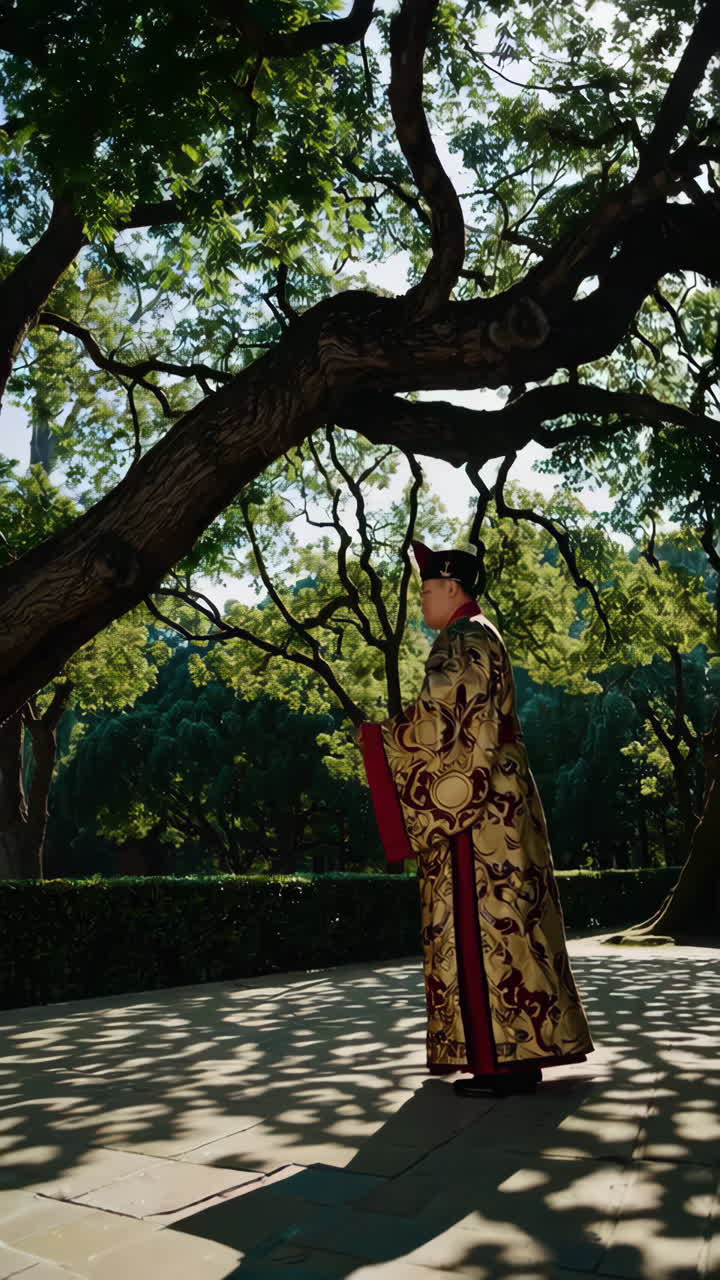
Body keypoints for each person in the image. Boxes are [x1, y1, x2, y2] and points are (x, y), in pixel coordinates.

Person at [359, 541, 593, 1097]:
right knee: (514, 919)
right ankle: (519, 1054)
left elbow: (443, 725)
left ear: (451, 588)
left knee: (480, 919)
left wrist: (380, 740)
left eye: (426, 590)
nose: (422, 603)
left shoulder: (460, 639)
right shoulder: (485, 633)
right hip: (503, 795)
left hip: (476, 807)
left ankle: (497, 1063)